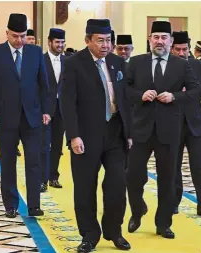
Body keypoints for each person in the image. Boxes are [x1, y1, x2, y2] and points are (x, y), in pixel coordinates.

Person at [126, 21, 201, 239]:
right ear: (149, 39)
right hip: (141, 129)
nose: (160, 41)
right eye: (156, 37)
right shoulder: (137, 62)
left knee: (168, 179)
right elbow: (125, 89)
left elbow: (196, 90)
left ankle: (163, 222)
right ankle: (138, 209)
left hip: (169, 130)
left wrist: (175, 96)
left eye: (164, 37)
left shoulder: (181, 64)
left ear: (170, 41)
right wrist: (140, 95)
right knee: (132, 176)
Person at [61, 19, 131, 252]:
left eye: (109, 40)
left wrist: (129, 132)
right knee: (84, 188)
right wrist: (73, 135)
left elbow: (126, 99)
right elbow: (67, 103)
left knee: (117, 186)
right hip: (85, 136)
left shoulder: (117, 63)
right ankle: (89, 235)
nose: (105, 45)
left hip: (115, 134)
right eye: (100, 40)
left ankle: (114, 231)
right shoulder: (73, 64)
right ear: (88, 40)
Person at [0, 13, 50, 218]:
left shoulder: (35, 52)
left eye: (22, 36)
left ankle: (34, 205)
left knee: (34, 161)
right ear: (7, 33)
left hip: (32, 117)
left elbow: (44, 84)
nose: (19, 40)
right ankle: (10, 204)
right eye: (15, 36)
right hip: (6, 117)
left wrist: (46, 110)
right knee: (8, 162)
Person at [171, 31, 201, 216]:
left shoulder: (200, 66)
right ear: (171, 49)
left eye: (184, 49)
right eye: (178, 49)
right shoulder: (165, 66)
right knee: (174, 165)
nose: (181, 53)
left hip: (195, 123)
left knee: (199, 165)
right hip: (172, 123)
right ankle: (173, 203)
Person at [40, 28, 66, 192]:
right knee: (44, 145)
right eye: (57, 42)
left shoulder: (68, 61)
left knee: (57, 145)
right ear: (49, 42)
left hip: (62, 110)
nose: (60, 45)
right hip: (45, 111)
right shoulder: (40, 60)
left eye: (63, 42)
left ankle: (53, 177)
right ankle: (41, 179)